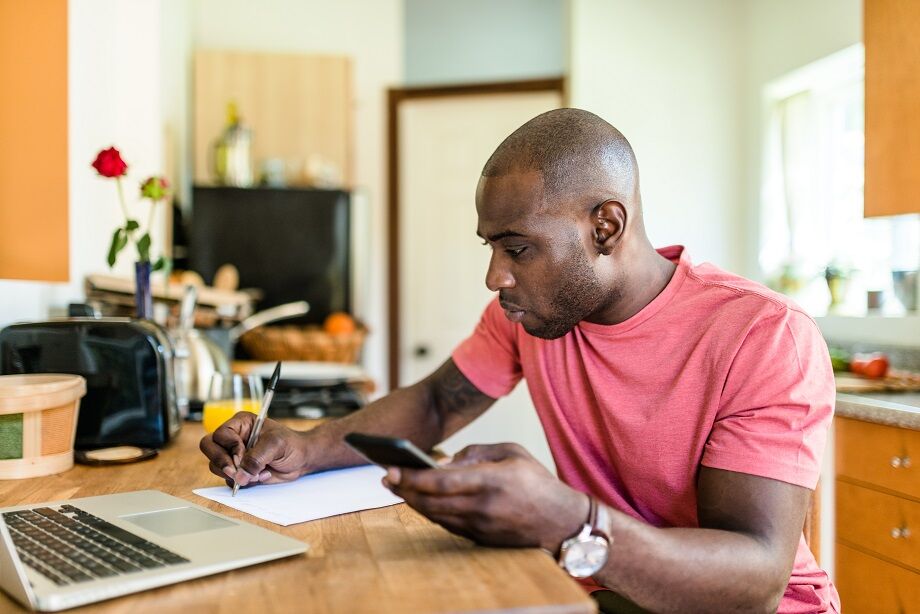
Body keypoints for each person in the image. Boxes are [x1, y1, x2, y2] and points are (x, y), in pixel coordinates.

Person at [200, 108, 838, 613]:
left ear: (606, 227)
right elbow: (435, 402)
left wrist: (566, 519)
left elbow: (753, 583)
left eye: (517, 248)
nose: (494, 277)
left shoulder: (763, 334)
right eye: (490, 247)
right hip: (606, 590)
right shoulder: (535, 310)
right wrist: (308, 448)